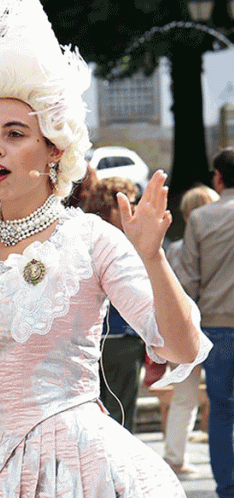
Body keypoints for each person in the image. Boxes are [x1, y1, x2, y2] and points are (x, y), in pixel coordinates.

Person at [0, 0, 211, 498]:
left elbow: (179, 349)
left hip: (74, 468)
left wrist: (153, 258)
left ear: (54, 151)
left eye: (15, 133)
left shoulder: (90, 239)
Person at [178, 148, 234, 498]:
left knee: (221, 411)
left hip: (217, 328)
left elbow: (187, 283)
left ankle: (227, 492)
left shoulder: (200, 219)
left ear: (217, 177)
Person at [162, 184, 219, 477]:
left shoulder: (172, 250)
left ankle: (174, 456)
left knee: (183, 397)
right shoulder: (222, 242)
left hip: (182, 327)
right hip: (217, 321)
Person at [83, 177, 145, 433]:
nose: (136, 209)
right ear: (112, 207)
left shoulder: (82, 238)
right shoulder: (123, 242)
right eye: (131, 203)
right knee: (120, 421)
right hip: (119, 338)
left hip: (93, 339)